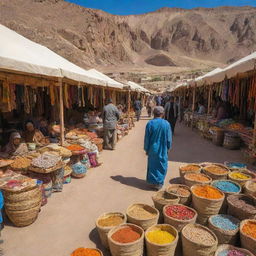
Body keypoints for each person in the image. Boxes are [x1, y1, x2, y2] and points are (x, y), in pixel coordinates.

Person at [144, 106, 172, 190]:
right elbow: (169, 138)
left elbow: (147, 138)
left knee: (153, 165)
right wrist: (169, 147)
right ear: (162, 114)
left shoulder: (150, 123)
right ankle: (159, 183)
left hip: (152, 149)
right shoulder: (166, 124)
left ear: (154, 113)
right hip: (163, 149)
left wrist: (146, 149)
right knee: (162, 165)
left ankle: (153, 182)